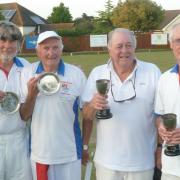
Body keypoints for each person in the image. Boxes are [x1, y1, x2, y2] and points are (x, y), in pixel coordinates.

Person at [82, 28, 161, 180]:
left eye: (128, 45)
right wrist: (92, 105)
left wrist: (159, 148)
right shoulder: (97, 73)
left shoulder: (152, 71)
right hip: (107, 164)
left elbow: (160, 115)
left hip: (142, 163)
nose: (124, 50)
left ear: (134, 47)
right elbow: (86, 116)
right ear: (109, 49)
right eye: (119, 46)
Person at [19, 31, 86, 180]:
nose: (51, 52)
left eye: (55, 47)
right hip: (40, 153)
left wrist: (86, 145)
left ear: (61, 49)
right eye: (46, 48)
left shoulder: (76, 73)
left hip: (70, 152)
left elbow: (86, 113)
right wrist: (31, 95)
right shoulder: (27, 73)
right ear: (37, 51)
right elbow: (24, 116)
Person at [0, 21, 32, 179]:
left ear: (19, 44)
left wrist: (74, 70)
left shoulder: (26, 66)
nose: (7, 45)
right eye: (3, 40)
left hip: (17, 139)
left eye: (13, 41)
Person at [155, 23, 180, 180]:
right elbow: (159, 115)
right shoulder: (164, 79)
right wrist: (161, 126)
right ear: (171, 45)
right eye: (178, 40)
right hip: (171, 167)